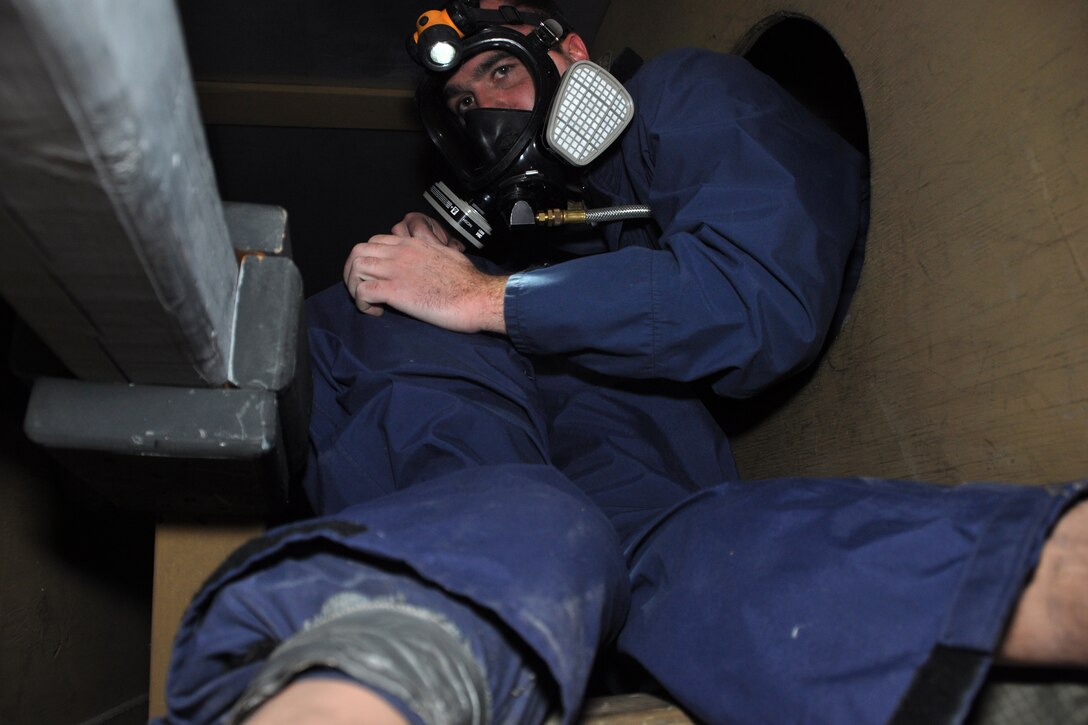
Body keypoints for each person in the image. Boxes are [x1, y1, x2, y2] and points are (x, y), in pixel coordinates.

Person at [161, 2, 1088, 723]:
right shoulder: (518, 252)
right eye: (463, 107)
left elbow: (758, 294)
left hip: (648, 517)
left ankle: (1027, 583)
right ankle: (374, 670)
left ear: (568, 57)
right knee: (496, 501)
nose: (483, 111)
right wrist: (442, 283)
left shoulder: (681, 102)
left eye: (497, 72)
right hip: (498, 510)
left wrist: (483, 299)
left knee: (694, 557)